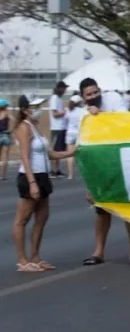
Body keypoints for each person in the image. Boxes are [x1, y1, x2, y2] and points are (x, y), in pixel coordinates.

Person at [79, 78, 130, 267]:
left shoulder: (114, 100)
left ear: (100, 90)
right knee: (102, 210)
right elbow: (82, 150)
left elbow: (124, 122)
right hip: (100, 164)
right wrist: (88, 185)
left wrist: (100, 116)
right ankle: (98, 251)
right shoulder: (81, 115)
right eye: (88, 95)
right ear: (83, 97)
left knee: (129, 208)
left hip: (122, 159)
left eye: (95, 92)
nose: (93, 97)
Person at [12, 95, 76, 272]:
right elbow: (24, 156)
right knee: (22, 219)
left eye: (40, 105)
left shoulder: (36, 128)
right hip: (29, 176)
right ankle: (22, 260)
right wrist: (32, 182)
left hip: (43, 176)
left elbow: (50, 153)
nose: (39, 109)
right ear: (26, 110)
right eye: (35, 106)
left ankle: (35, 256)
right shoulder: (23, 128)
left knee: (42, 217)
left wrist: (71, 152)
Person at [48, 81, 69, 177]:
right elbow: (54, 114)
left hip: (61, 127)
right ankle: (52, 170)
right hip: (56, 128)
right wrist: (64, 112)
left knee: (59, 150)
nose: (65, 90)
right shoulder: (54, 98)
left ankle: (57, 169)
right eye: (64, 88)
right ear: (59, 88)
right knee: (54, 150)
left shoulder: (60, 99)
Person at [64, 95, 86, 180]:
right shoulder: (82, 111)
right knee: (79, 155)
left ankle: (70, 174)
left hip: (70, 133)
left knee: (70, 155)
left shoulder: (69, 110)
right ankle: (83, 172)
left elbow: (66, 120)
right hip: (78, 134)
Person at [0, 99, 12, 180]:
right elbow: (13, 119)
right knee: (5, 157)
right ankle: (3, 176)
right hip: (6, 135)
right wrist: (10, 130)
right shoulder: (7, 113)